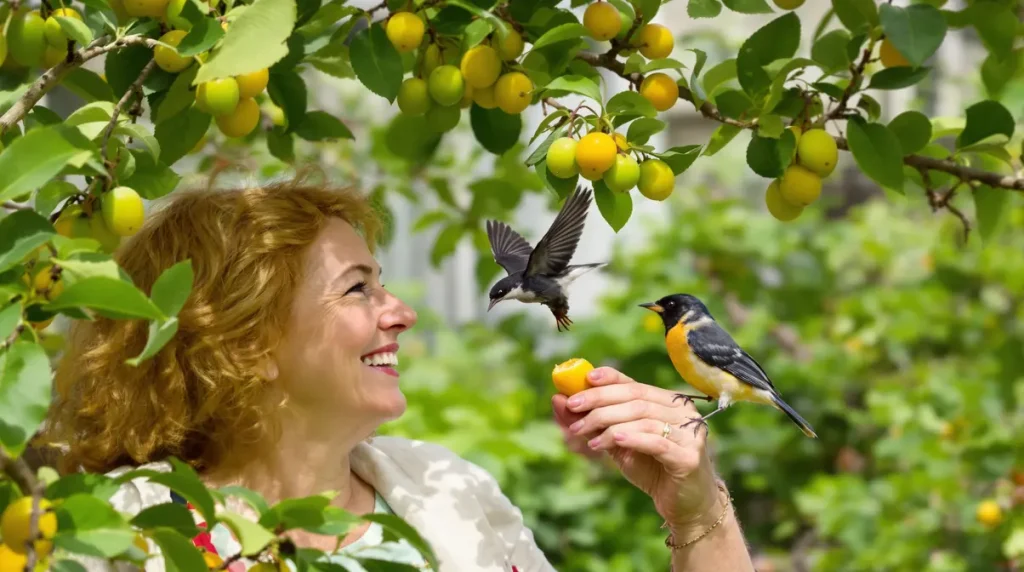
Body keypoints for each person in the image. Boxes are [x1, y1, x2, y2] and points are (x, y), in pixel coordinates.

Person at [41, 176, 755, 571]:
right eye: (358, 289)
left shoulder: (452, 492)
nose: (403, 312)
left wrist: (694, 509)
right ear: (244, 342)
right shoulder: (121, 536)